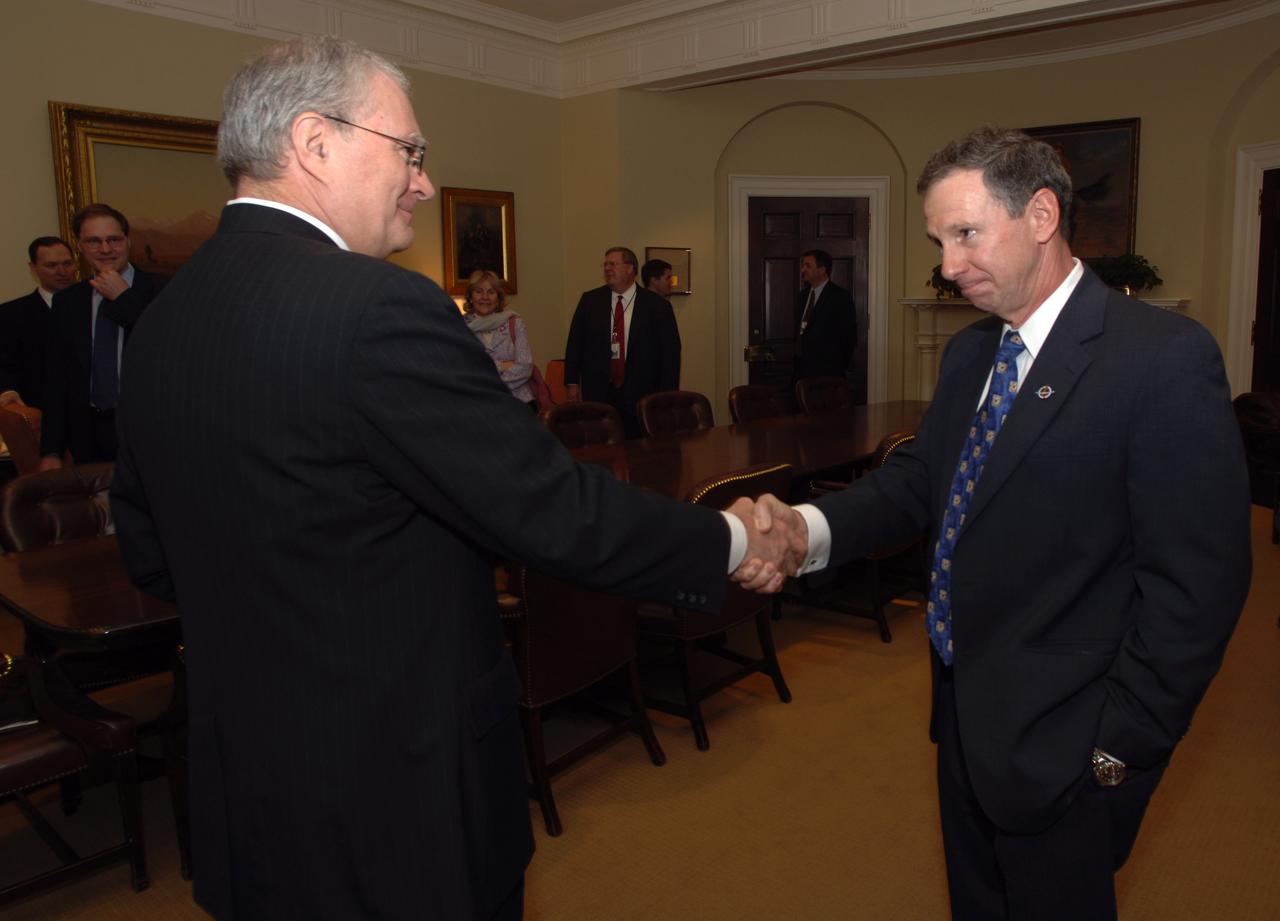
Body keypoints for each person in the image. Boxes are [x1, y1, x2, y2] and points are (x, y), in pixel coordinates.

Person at [109, 37, 803, 921]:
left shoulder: (165, 320)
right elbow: (552, 512)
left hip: (250, 786)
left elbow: (149, 550)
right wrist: (739, 537)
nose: (424, 183)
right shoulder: (376, 307)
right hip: (396, 797)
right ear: (315, 142)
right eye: (410, 151)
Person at [747, 126, 1252, 920]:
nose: (948, 265)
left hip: (1072, 745)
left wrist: (1116, 750)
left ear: (1042, 215)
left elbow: (1200, 586)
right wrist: (806, 528)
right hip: (965, 724)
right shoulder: (972, 353)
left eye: (966, 233)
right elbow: (921, 483)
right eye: (939, 239)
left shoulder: (1161, 359)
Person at [39, 204, 165, 467]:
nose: (105, 249)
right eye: (94, 241)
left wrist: (124, 298)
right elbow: (58, 377)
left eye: (114, 240)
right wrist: (50, 451)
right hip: (89, 434)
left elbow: (167, 346)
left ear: (128, 240)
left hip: (149, 429)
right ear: (80, 247)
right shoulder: (68, 301)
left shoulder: (163, 288)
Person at [563, 246, 680, 437]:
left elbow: (671, 353)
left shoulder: (657, 305)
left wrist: (667, 396)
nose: (607, 268)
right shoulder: (590, 301)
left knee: (640, 455)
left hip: (641, 394)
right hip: (599, 392)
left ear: (630, 268)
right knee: (600, 449)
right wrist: (571, 383)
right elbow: (575, 342)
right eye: (605, 265)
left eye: (613, 264)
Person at [0, 236, 77, 409]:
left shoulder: (95, 305)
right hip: (40, 411)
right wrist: (8, 391)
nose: (62, 272)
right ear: (33, 268)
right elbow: (4, 364)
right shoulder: (11, 314)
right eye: (51, 265)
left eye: (67, 264)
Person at [462, 269, 535, 408]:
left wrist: (492, 385)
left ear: (498, 298)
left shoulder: (514, 322)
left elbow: (525, 366)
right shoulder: (460, 327)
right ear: (470, 296)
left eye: (491, 292)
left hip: (518, 403)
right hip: (478, 406)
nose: (485, 297)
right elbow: (465, 369)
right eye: (479, 291)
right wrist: (502, 365)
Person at [794, 248, 856, 382]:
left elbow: (849, 336)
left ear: (822, 270)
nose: (802, 270)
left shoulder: (840, 297)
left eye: (808, 266)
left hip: (828, 373)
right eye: (803, 265)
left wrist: (838, 365)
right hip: (801, 371)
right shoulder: (802, 296)